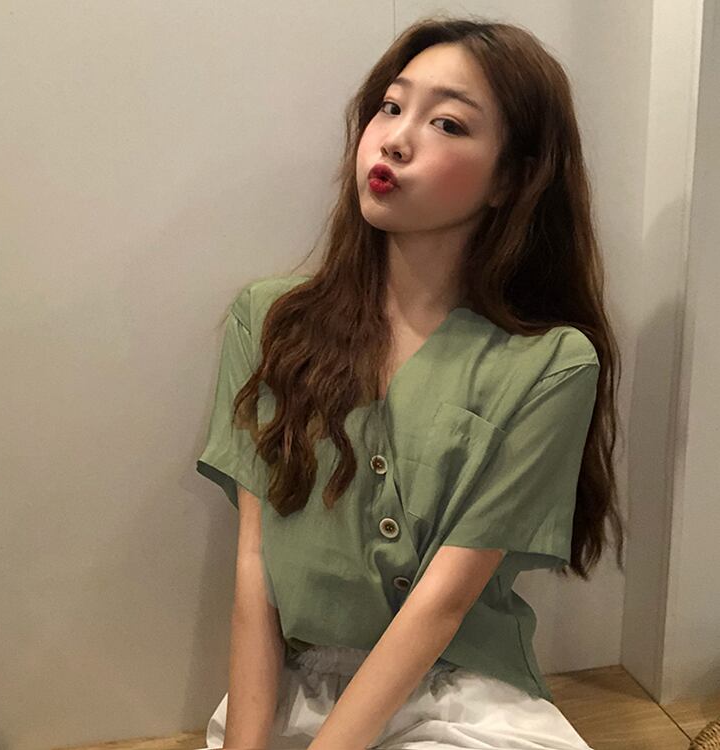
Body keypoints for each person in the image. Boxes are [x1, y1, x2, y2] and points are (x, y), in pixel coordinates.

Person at [194, 13, 625, 750]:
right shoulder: (270, 321)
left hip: (456, 692)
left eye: (447, 123)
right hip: (295, 694)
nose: (395, 139)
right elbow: (255, 567)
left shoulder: (551, 365)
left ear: (511, 178)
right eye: (390, 107)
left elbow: (441, 605)